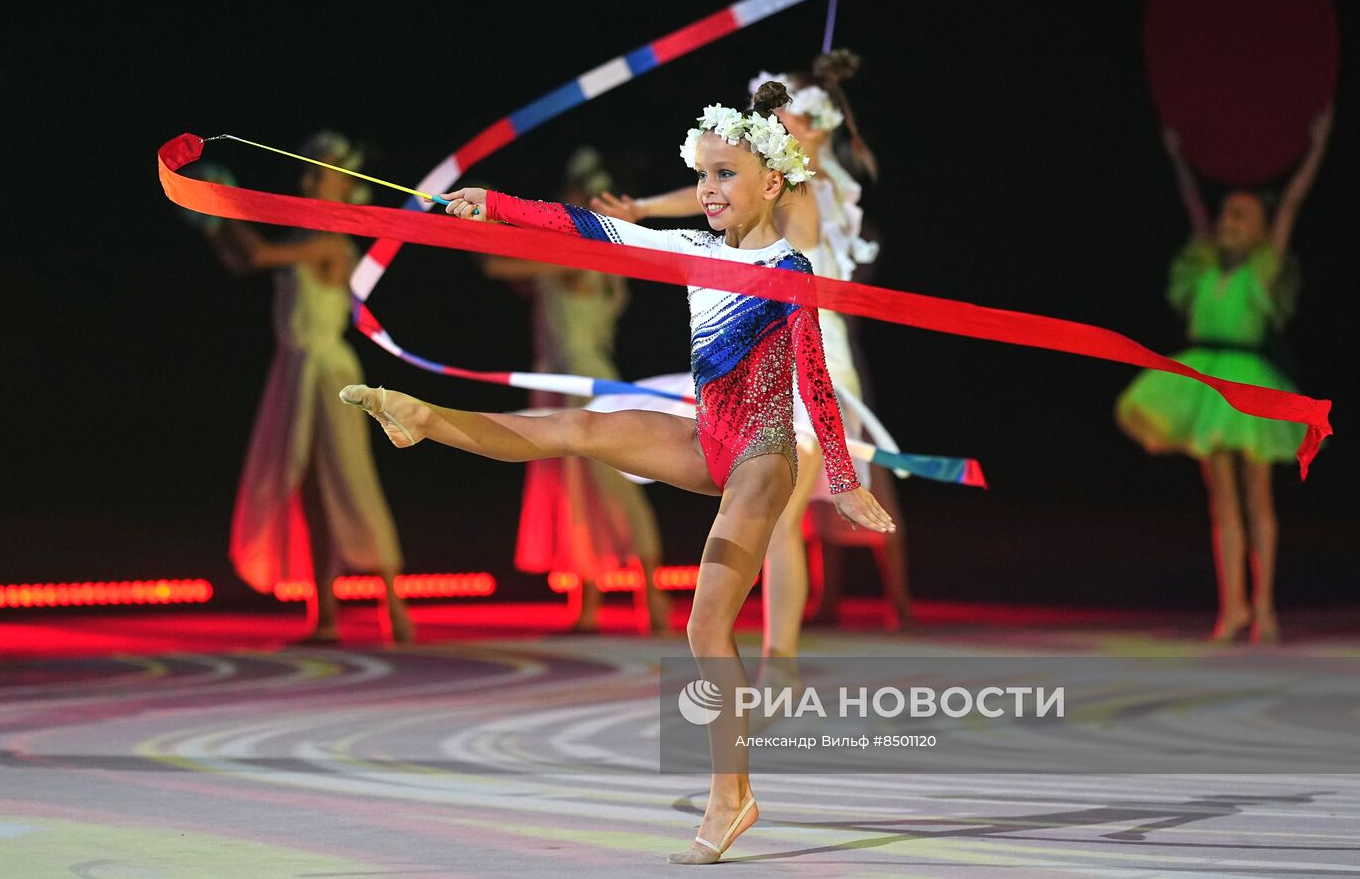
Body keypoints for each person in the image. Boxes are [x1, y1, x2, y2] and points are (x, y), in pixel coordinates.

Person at [342, 83, 894, 863]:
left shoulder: (787, 269)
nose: (707, 190)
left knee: (706, 622)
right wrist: (492, 203)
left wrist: (839, 479)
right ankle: (429, 421)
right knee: (576, 428)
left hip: (764, 453)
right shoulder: (693, 250)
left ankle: (731, 797)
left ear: (771, 182)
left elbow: (813, 378)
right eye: (701, 175)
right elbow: (587, 226)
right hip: (708, 436)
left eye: (724, 174)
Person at [592, 51, 910, 652]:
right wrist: (642, 211)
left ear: (809, 129)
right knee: (776, 519)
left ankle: (779, 663)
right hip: (763, 362)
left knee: (780, 516)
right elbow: (719, 191)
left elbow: (731, 189)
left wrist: (648, 209)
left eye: (782, 119)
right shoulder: (775, 187)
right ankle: (775, 660)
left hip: (812, 360)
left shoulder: (800, 189)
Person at [1116, 108, 1332, 644]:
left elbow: (1294, 205)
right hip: (1206, 380)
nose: (1227, 222)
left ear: (1259, 227)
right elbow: (1192, 206)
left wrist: (1316, 148)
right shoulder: (1207, 266)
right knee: (1222, 500)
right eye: (1226, 215)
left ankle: (1265, 606)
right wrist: (1179, 159)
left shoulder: (1263, 267)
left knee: (1259, 495)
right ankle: (1232, 605)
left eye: (1239, 216)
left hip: (1250, 380)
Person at [200, 132, 413, 645]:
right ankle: (325, 614)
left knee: (350, 481)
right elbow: (240, 260)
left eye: (321, 173)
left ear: (344, 187)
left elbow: (254, 256)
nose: (308, 180)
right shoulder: (302, 239)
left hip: (328, 372)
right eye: (308, 171)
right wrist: (212, 225)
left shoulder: (331, 242)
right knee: (311, 494)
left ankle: (395, 607)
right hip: (295, 370)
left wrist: (220, 206)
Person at [481, 148, 670, 634]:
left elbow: (497, 267)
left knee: (612, 485)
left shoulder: (579, 252)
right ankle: (588, 603)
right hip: (559, 380)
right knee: (575, 492)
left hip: (582, 380)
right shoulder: (569, 251)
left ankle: (652, 597)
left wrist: (500, 219)